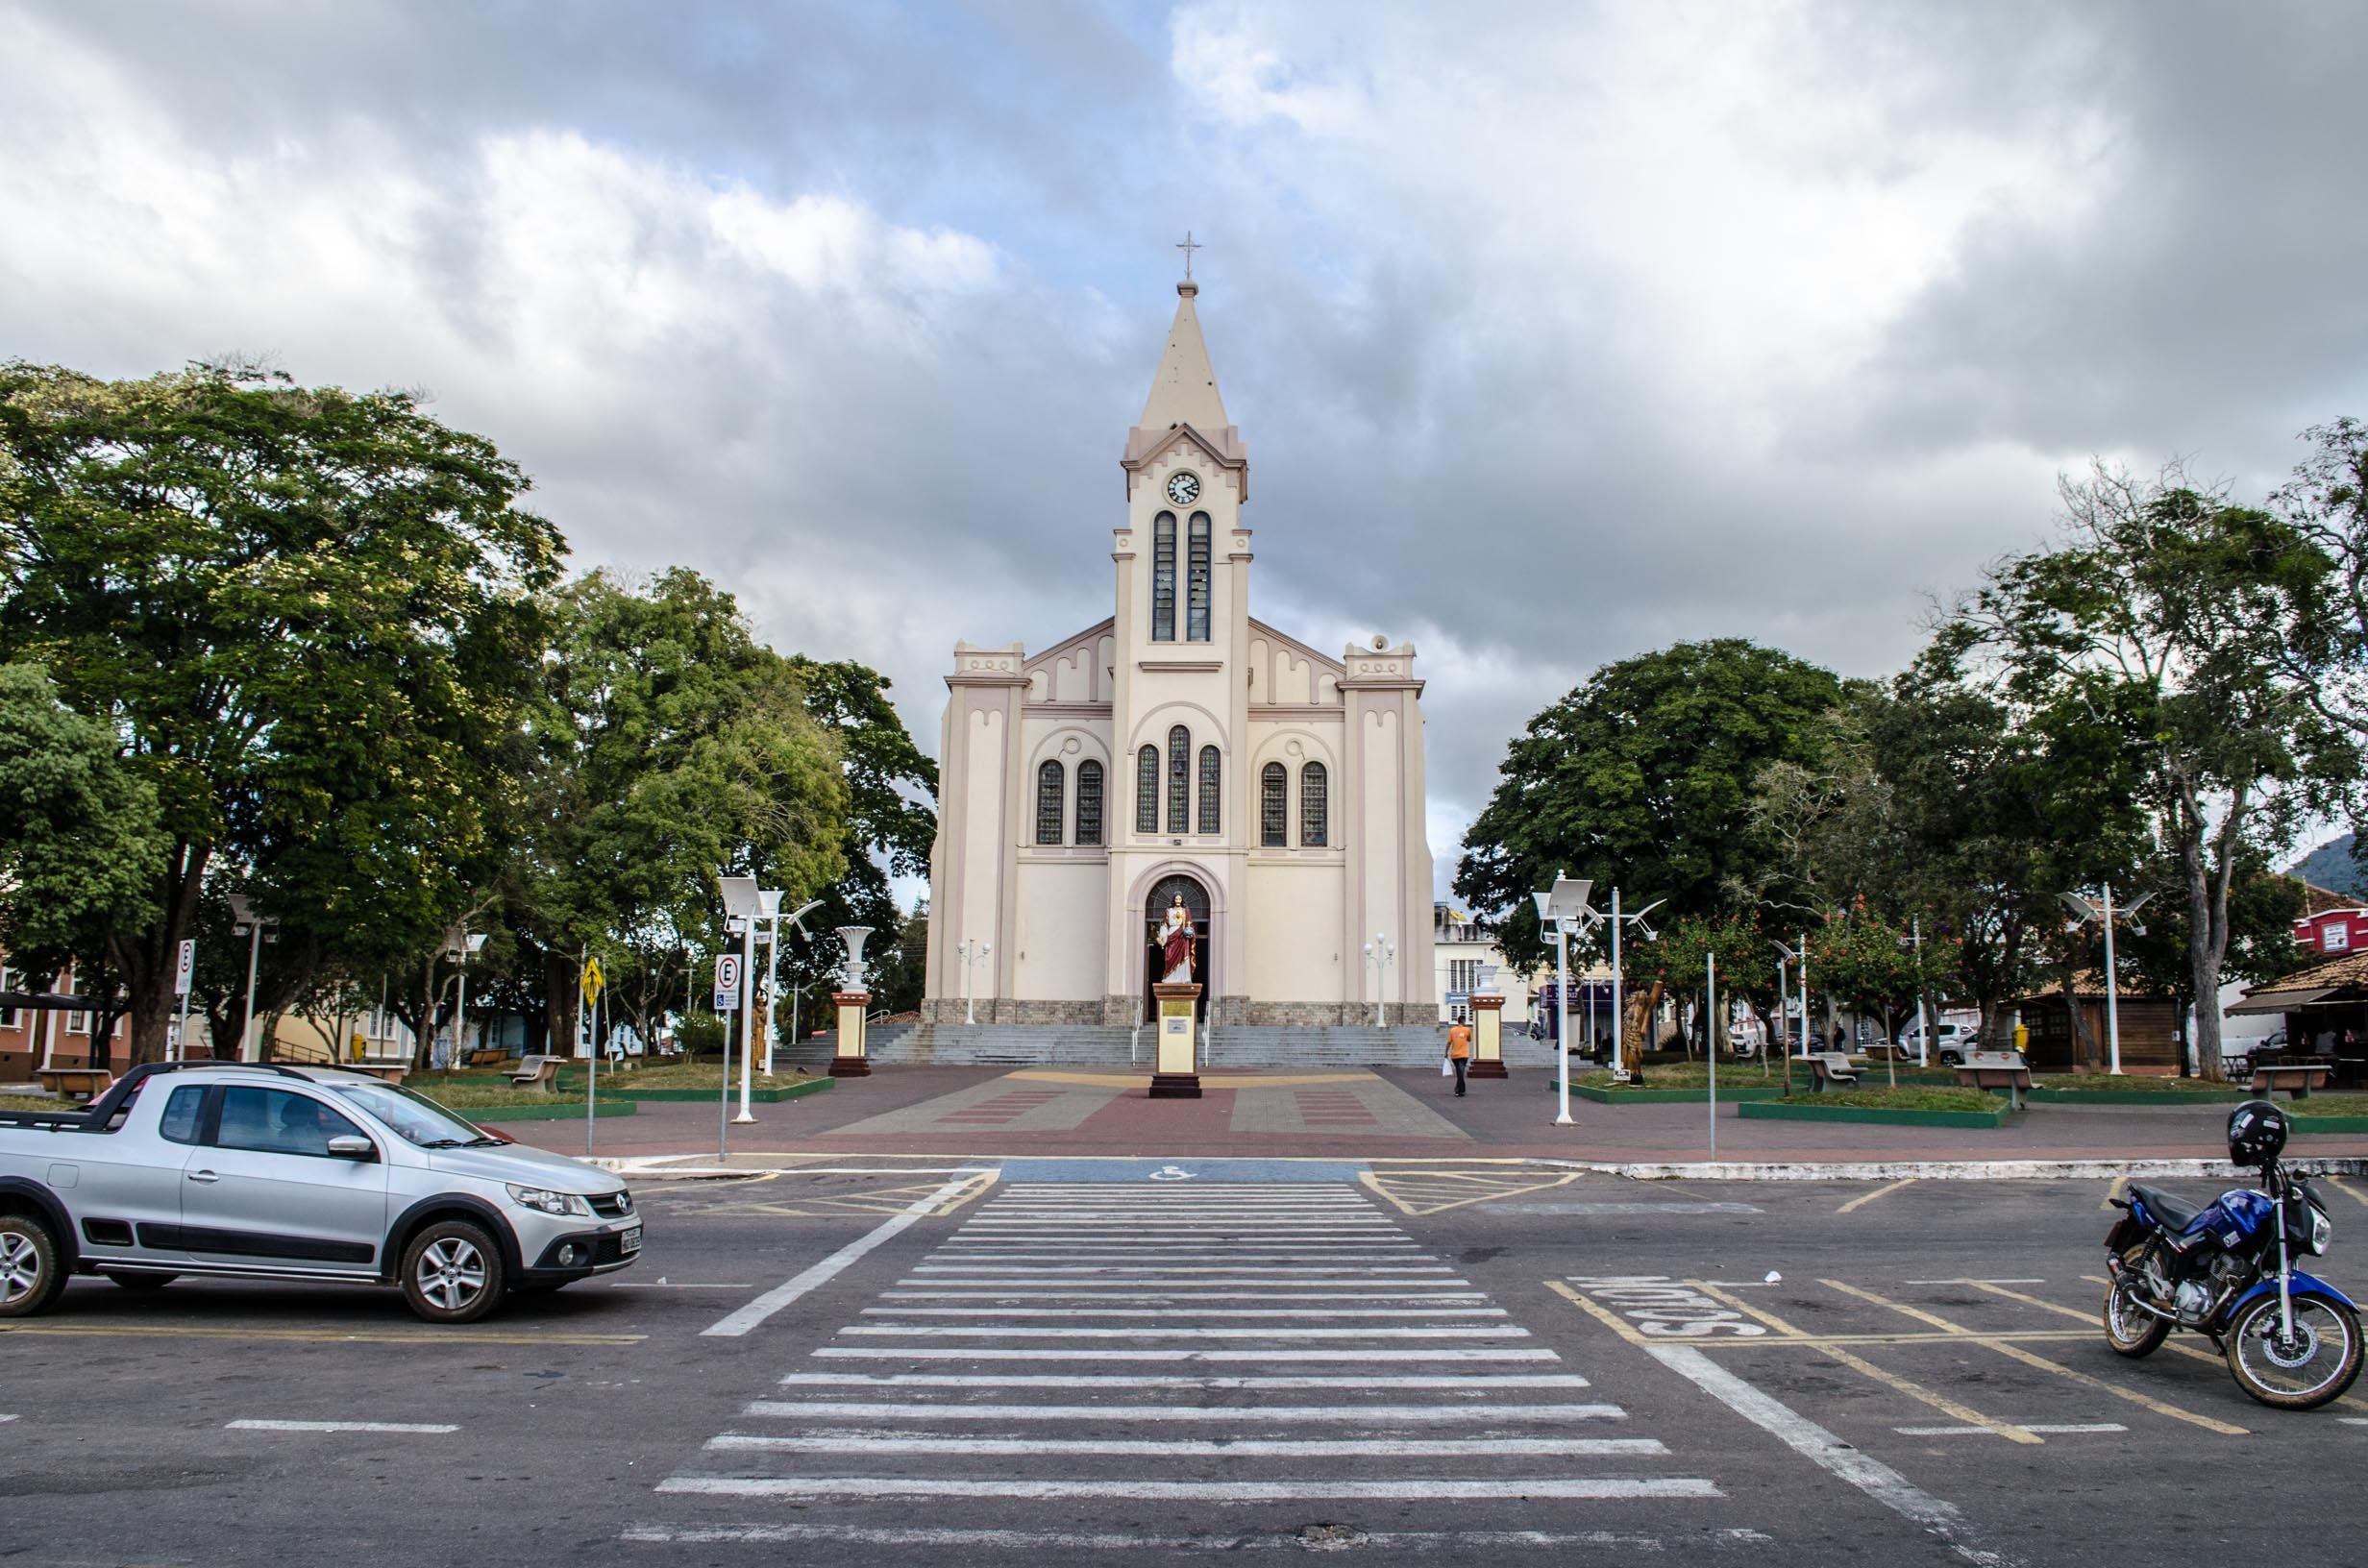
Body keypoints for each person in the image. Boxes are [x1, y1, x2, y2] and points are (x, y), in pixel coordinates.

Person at [1445, 1018, 1471, 1096]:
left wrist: (1446, 1052)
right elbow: (1469, 1039)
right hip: (1464, 1054)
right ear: (1463, 1021)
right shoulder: (1467, 1029)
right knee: (1461, 1072)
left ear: (1458, 1021)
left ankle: (1461, 1089)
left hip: (1455, 1055)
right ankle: (1458, 1090)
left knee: (1459, 1072)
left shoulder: (1452, 1030)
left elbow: (1449, 1042)